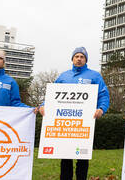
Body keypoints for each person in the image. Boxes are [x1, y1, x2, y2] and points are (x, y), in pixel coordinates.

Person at [39, 47, 110, 180]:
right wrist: (43, 105)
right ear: (72, 59)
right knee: (65, 155)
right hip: (66, 124)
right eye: (76, 56)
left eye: (82, 56)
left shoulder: (94, 76)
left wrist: (101, 108)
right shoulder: (63, 76)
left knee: (82, 156)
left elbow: (103, 95)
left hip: (84, 122)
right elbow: (52, 95)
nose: (79, 58)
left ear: (86, 60)